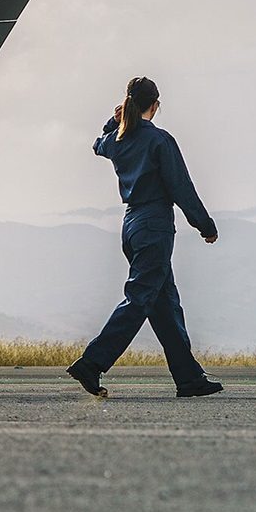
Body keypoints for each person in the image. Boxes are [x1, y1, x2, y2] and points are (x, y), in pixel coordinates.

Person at [66, 77, 223, 398]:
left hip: (131, 225)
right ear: (156, 105)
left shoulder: (118, 140)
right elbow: (181, 187)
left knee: (165, 305)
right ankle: (91, 363)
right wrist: (205, 225)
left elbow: (99, 143)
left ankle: (189, 378)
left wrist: (114, 119)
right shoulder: (159, 141)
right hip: (155, 225)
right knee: (139, 299)